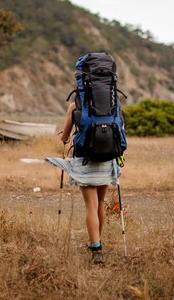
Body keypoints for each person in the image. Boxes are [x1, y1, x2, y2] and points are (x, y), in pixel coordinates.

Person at [45, 101, 123, 265]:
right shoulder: (113, 102)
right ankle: (97, 242)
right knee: (100, 202)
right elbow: (121, 132)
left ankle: (96, 249)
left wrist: (66, 132)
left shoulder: (75, 106)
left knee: (91, 206)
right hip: (107, 159)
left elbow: (65, 138)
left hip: (84, 160)